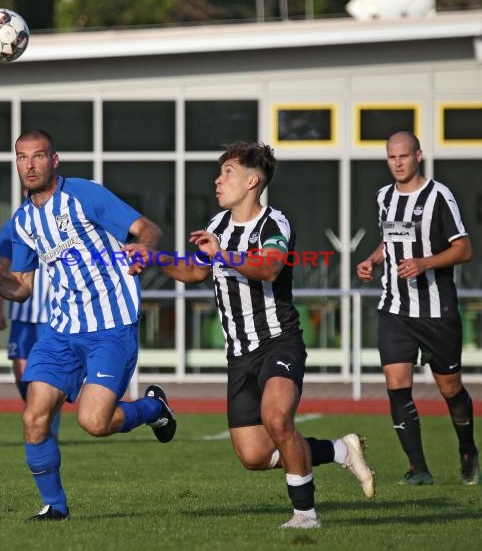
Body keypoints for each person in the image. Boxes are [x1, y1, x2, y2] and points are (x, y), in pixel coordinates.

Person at [125, 141, 375, 530]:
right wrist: (152, 257)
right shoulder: (217, 226)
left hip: (279, 341)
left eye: (228, 173)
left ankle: (305, 514)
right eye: (220, 172)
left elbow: (271, 267)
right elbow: (195, 272)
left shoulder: (274, 223)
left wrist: (223, 254)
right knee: (254, 455)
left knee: (277, 418)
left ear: (253, 180)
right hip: (239, 355)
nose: (218, 180)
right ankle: (340, 449)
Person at [0, 129, 176, 521]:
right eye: (22, 157)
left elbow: (148, 229)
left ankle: (153, 407)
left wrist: (144, 250)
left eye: (38, 156)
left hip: (111, 326)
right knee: (34, 417)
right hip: (61, 330)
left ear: (55, 159)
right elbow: (23, 288)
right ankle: (55, 507)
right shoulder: (23, 222)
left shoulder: (85, 194)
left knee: (93, 422)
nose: (30, 164)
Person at [356, 131, 479, 486]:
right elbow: (390, 238)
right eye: (391, 157)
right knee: (397, 385)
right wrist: (372, 260)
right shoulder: (383, 198)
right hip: (394, 309)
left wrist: (424, 263)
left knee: (450, 388)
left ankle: (468, 449)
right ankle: (418, 469)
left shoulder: (440, 196)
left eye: (404, 156)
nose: (397, 162)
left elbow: (464, 249)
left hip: (437, 311)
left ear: (418, 156)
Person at [0, 218, 61, 437]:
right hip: (21, 313)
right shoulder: (13, 226)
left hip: (51, 316)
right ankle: (40, 413)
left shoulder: (60, 221)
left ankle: (47, 422)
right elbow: (2, 267)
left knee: (47, 375)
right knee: (21, 374)